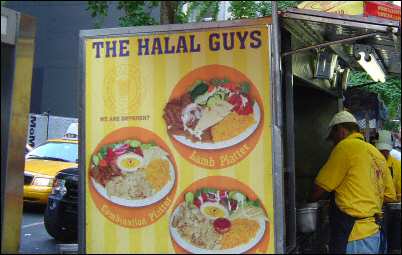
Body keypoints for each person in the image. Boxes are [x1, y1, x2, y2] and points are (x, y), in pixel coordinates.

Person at [309, 111, 396, 254]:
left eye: (334, 138)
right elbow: (389, 195)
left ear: (342, 131)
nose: (333, 143)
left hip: (355, 236)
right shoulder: (375, 153)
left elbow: (319, 189)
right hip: (375, 234)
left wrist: (309, 201)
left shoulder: (345, 147)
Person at [375, 130, 401, 201]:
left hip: (391, 204)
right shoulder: (369, 162)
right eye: (381, 150)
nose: (384, 152)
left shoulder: (397, 165)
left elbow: (400, 193)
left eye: (386, 150)